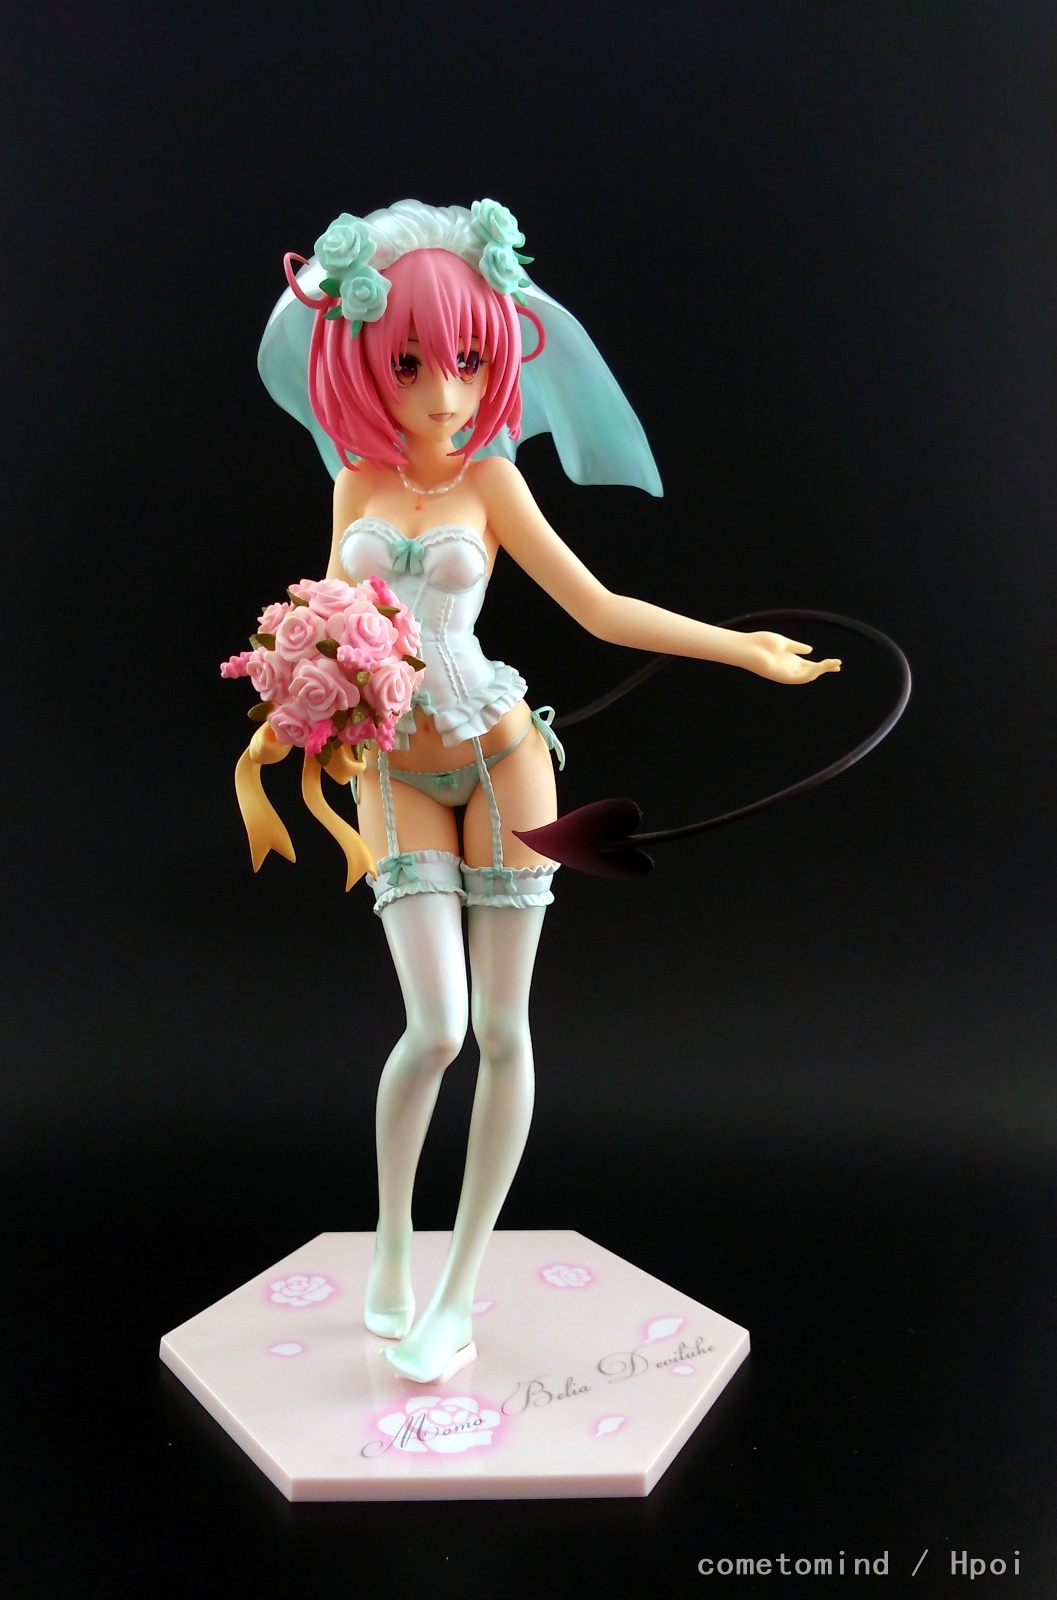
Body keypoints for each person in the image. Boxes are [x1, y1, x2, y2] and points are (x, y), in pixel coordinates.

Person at [256, 199, 839, 1383]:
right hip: (394, 769)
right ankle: (392, 1242)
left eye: (467, 361)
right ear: (363, 357)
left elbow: (600, 607)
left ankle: (458, 1290)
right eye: (411, 363)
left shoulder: (494, 483)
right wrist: (296, 701)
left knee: (505, 1029)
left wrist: (741, 649)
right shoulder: (356, 485)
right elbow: (330, 620)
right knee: (434, 1028)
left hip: (501, 754)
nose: (443, 392)